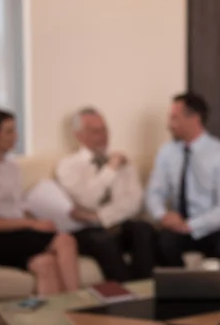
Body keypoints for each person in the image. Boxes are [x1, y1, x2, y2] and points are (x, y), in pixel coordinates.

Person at [0, 109, 80, 296]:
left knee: (45, 263)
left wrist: (38, 222)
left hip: (12, 235)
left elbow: (16, 209)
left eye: (15, 130)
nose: (15, 136)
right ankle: (80, 305)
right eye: (8, 131)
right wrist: (31, 224)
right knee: (65, 241)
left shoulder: (11, 166)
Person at [56, 107, 155, 282]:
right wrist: (111, 169)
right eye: (95, 131)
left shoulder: (123, 161)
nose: (103, 136)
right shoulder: (68, 166)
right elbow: (88, 199)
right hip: (87, 231)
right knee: (103, 240)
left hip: (116, 224)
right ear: (78, 135)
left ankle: (146, 288)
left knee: (144, 230)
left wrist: (100, 217)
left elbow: (134, 203)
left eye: (105, 129)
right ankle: (127, 293)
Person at [145, 93, 220, 267]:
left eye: (174, 118)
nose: (169, 125)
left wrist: (190, 225)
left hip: (211, 226)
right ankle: (177, 292)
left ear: (194, 118)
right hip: (177, 227)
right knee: (161, 241)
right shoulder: (167, 152)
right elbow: (154, 192)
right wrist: (163, 216)